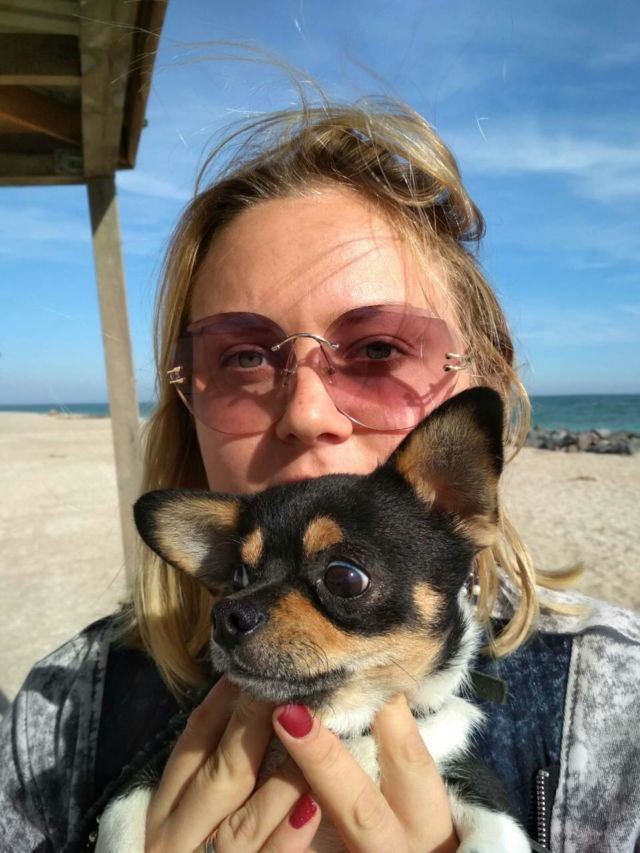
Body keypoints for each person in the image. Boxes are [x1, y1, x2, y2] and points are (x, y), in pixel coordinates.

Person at [1, 99, 639, 853]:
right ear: (186, 405)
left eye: (379, 349)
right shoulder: (63, 710)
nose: (306, 412)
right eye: (244, 357)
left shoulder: (616, 698)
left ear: (487, 383)